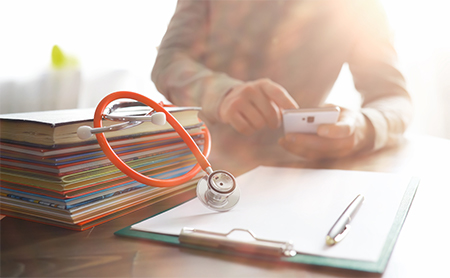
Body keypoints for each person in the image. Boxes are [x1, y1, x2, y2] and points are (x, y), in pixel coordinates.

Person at [151, 0, 412, 160]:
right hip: (204, 160)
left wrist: (364, 128)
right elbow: (169, 61)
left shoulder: (360, 8)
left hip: (304, 169)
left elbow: (394, 96)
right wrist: (222, 94)